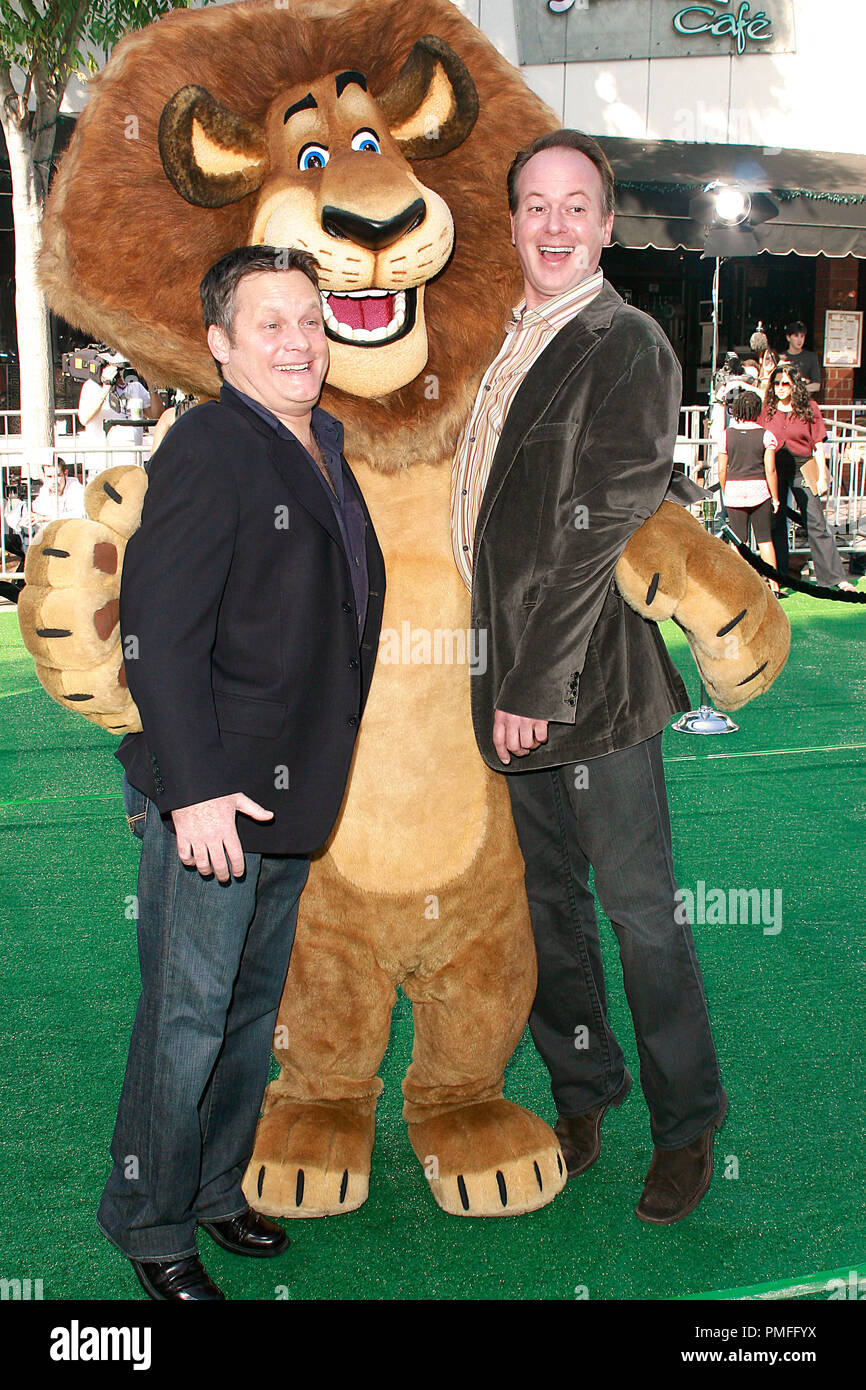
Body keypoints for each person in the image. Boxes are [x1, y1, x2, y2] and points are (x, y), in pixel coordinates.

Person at [96, 244, 385, 1300]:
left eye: (309, 319)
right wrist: (193, 789)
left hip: (281, 793)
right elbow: (156, 630)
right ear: (220, 344)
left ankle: (215, 1188)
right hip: (210, 794)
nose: (297, 340)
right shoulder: (214, 441)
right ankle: (151, 1220)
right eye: (269, 323)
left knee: (239, 1012)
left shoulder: (319, 441)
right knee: (184, 1020)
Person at [451, 129, 726, 1226]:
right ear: (512, 221)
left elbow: (590, 532)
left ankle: (685, 1124)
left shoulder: (626, 343)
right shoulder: (502, 341)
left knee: (641, 917)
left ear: (606, 226)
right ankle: (581, 1093)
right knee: (544, 916)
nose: (554, 225)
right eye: (535, 205)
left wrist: (529, 681)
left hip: (589, 690)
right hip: (501, 687)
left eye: (576, 206)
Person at [761, 364, 855, 591]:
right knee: (776, 521)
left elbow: (819, 445)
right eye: (776, 383)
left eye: (785, 383)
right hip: (775, 468)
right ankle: (778, 578)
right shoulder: (767, 409)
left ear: (794, 385)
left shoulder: (809, 408)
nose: (780, 388)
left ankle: (835, 578)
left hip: (804, 467)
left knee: (816, 521)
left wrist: (822, 476)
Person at [718, 390, 781, 596]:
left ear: (736, 410)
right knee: (765, 539)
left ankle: (738, 586)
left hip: (735, 491)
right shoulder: (766, 436)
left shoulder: (726, 435)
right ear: (757, 411)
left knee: (739, 542)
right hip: (760, 490)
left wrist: (727, 490)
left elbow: (721, 469)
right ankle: (775, 585)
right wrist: (776, 497)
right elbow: (770, 470)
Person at [29, 457, 86, 527]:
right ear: (44, 476)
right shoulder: (45, 489)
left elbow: (80, 515)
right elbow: (38, 511)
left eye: (58, 476)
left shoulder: (76, 488)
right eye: (49, 477)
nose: (54, 481)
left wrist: (46, 518)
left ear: (65, 474)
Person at [781, 320, 822, 395]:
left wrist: (795, 388)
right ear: (788, 337)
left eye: (802, 336)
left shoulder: (811, 357)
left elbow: (816, 385)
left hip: (804, 400)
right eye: (796, 336)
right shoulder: (781, 358)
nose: (800, 340)